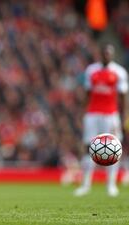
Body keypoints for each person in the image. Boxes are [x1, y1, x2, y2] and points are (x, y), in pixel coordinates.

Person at [74, 44, 128, 197]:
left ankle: (111, 185)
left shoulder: (119, 72)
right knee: (87, 147)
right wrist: (82, 113)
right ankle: (85, 185)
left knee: (114, 147)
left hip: (111, 114)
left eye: (109, 53)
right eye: (104, 53)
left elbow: (123, 97)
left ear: (112, 55)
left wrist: (123, 117)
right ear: (100, 54)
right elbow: (87, 93)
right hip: (92, 114)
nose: (106, 55)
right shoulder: (92, 70)